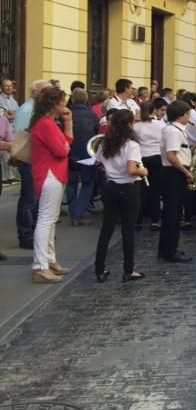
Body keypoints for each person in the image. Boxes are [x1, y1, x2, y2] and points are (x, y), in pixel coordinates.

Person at [93, 109, 147, 283]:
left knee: (106, 230)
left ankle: (99, 269)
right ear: (131, 124)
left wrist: (111, 169)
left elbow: (98, 163)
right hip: (128, 188)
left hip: (110, 187)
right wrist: (144, 170)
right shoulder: (132, 145)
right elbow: (132, 169)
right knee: (127, 231)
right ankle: (128, 270)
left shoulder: (105, 143)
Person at [28, 86, 74, 283]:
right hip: (50, 173)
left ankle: (49, 260)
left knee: (49, 219)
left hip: (52, 173)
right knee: (46, 220)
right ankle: (40, 265)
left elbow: (67, 142)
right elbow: (62, 150)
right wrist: (65, 145)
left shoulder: (46, 122)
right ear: (54, 104)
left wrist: (68, 122)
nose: (64, 105)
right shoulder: (45, 124)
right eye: (62, 101)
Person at [12, 79, 49, 250]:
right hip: (28, 159)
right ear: (37, 93)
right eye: (47, 91)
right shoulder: (27, 109)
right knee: (29, 198)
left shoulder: (39, 109)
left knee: (35, 198)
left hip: (37, 159)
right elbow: (20, 135)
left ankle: (33, 232)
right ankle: (26, 235)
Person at [159, 100, 195, 263]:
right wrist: (186, 172)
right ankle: (170, 251)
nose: (189, 116)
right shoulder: (174, 131)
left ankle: (165, 248)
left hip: (173, 173)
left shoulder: (175, 129)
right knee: (173, 214)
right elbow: (171, 156)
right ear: (181, 115)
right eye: (188, 113)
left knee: (171, 213)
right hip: (174, 173)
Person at [65, 88, 98, 227]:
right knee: (87, 183)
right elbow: (96, 135)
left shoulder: (65, 114)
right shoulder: (91, 115)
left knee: (71, 183)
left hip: (70, 154)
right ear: (85, 99)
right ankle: (79, 213)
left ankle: (73, 212)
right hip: (87, 154)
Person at [134, 100, 165, 232]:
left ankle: (138, 220)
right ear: (154, 111)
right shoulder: (160, 124)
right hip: (157, 156)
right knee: (156, 190)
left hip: (142, 157)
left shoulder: (136, 126)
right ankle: (155, 221)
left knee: (141, 190)